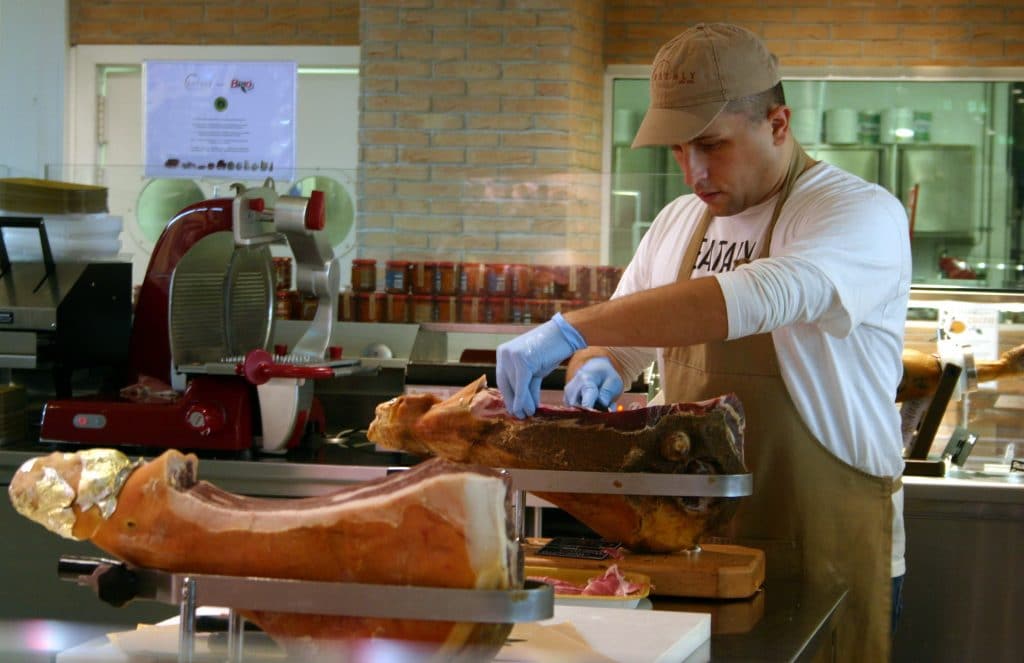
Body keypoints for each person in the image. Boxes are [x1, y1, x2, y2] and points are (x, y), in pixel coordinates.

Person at [495, 22, 910, 662]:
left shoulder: (854, 212)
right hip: (692, 554)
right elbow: (621, 343)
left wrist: (573, 326)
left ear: (777, 124)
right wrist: (596, 363)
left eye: (712, 145)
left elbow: (757, 295)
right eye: (679, 149)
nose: (693, 172)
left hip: (827, 548)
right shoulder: (677, 221)